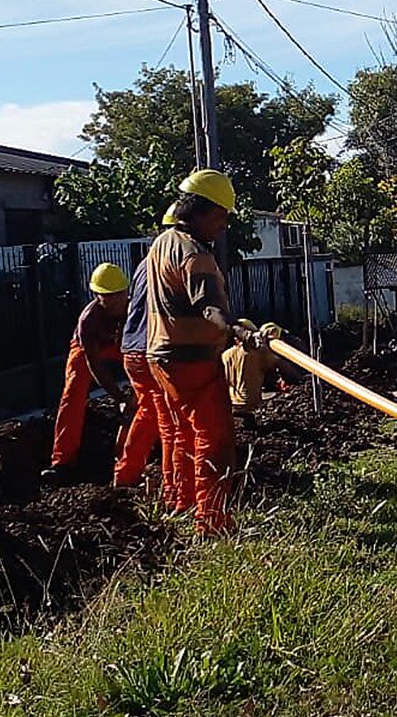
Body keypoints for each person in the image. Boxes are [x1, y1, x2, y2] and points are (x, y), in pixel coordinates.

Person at [144, 169, 261, 536]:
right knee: (216, 439)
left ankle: (182, 503)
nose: (223, 225)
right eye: (220, 216)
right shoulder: (196, 255)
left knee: (183, 433)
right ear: (200, 210)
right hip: (191, 358)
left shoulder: (161, 244)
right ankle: (213, 523)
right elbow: (209, 308)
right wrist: (239, 330)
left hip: (160, 356)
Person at [114, 206, 183, 504]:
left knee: (148, 414)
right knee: (170, 424)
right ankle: (174, 494)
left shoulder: (145, 263)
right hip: (150, 351)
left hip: (132, 351)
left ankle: (124, 476)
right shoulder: (172, 261)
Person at [44, 262, 133, 481]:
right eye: (107, 296)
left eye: (118, 294)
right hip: (88, 349)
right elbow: (95, 365)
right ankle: (62, 461)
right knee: (72, 395)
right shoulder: (88, 321)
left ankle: (148, 444)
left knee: (150, 385)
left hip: (121, 344)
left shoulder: (134, 310)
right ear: (96, 295)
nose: (114, 301)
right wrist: (119, 397)